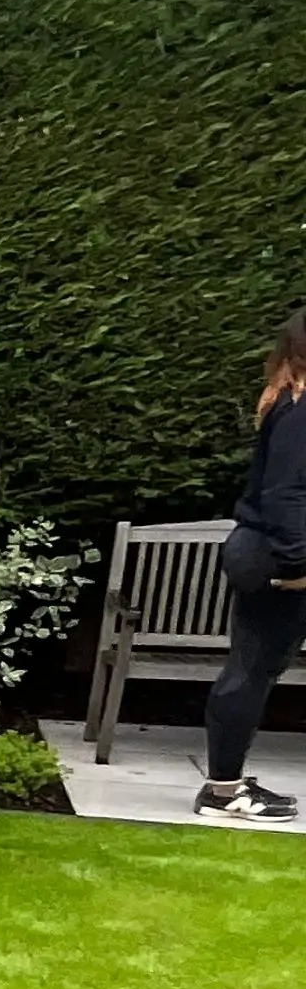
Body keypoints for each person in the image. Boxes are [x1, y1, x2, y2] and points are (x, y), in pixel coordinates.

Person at [198, 306, 306, 821]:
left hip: (272, 552)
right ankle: (222, 792)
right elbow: (285, 494)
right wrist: (297, 564)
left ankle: (223, 787)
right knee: (250, 670)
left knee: (256, 668)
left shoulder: (291, 401)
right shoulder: (301, 408)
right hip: (275, 556)